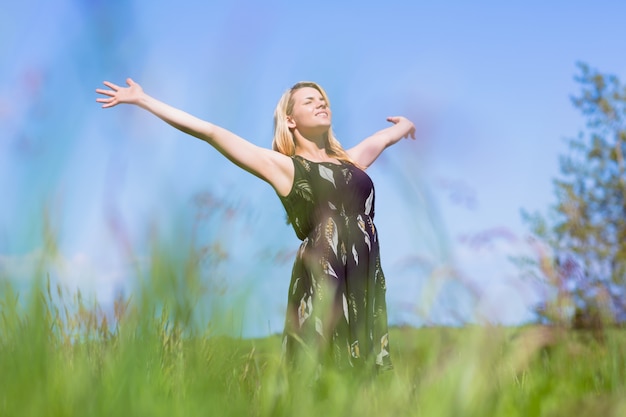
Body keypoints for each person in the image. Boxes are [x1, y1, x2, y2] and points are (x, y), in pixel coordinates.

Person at [96, 79, 415, 374]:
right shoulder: (284, 168)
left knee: (365, 373)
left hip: (363, 275)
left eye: (323, 100)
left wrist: (404, 126)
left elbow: (384, 138)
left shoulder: (351, 162)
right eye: (309, 101)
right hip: (324, 276)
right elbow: (210, 131)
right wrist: (143, 99)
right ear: (290, 120)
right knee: (326, 366)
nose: (321, 104)